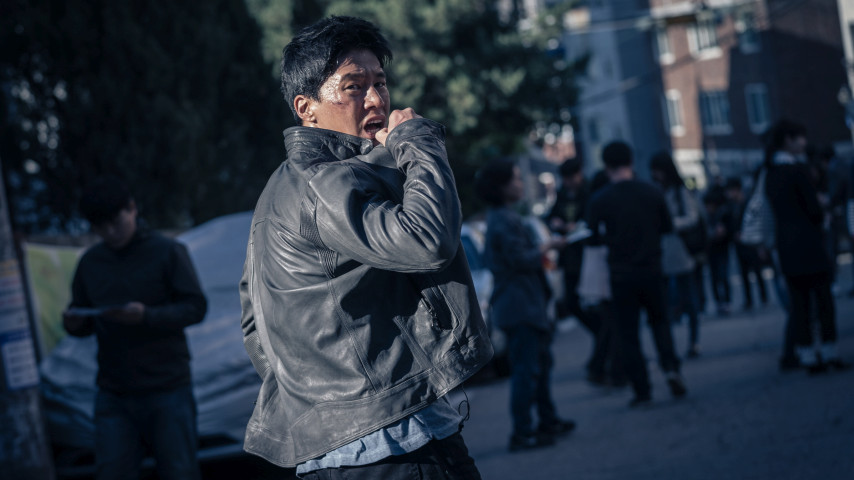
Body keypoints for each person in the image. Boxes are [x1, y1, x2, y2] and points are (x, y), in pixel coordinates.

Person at [238, 16, 493, 478]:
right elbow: (428, 240)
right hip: (393, 443)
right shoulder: (325, 182)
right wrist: (417, 141)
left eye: (380, 82)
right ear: (306, 108)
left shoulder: (280, 190)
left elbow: (254, 326)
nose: (375, 99)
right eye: (353, 87)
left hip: (334, 451)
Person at [62, 176, 207, 480]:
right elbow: (81, 318)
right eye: (100, 227)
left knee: (179, 472)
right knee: (112, 472)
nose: (110, 232)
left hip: (168, 388)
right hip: (114, 392)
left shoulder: (168, 251)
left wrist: (147, 316)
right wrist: (74, 323)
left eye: (115, 222)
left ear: (132, 208)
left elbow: (196, 308)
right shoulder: (90, 262)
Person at [475, 158, 575, 452]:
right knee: (526, 371)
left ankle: (547, 421)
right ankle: (522, 432)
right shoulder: (502, 220)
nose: (520, 184)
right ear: (501, 186)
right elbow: (520, 259)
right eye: (516, 179)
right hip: (519, 305)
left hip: (524, 303)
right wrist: (548, 246)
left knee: (539, 366)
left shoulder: (503, 217)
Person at [586, 141, 687, 407]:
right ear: (631, 161)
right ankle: (671, 368)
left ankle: (642, 389)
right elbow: (667, 228)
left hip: (621, 274)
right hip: (653, 268)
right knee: (660, 322)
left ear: (606, 166)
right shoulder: (652, 192)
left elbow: (592, 239)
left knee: (628, 333)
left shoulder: (600, 200)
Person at [763, 120, 850, 374]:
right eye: (799, 137)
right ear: (788, 140)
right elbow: (813, 209)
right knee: (823, 300)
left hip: (786, 246)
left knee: (799, 304)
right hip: (810, 243)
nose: (803, 142)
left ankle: (808, 354)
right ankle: (829, 351)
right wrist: (822, 211)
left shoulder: (770, 173)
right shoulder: (798, 171)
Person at [546, 158, 604, 382]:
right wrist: (557, 223)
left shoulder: (589, 192)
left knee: (595, 304)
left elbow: (592, 222)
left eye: (571, 177)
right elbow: (551, 215)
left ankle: (603, 345)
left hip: (587, 256)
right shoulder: (562, 194)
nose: (569, 182)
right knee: (572, 303)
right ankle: (601, 335)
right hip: (569, 258)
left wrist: (574, 226)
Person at [650, 151, 704, 358]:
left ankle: (693, 341)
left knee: (688, 298)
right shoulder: (656, 190)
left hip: (680, 248)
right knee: (667, 301)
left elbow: (692, 217)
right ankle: (670, 346)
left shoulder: (680, 191)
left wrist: (669, 224)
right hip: (662, 250)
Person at [725, 177, 769, 311]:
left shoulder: (748, 203)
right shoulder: (732, 206)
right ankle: (749, 299)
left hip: (751, 241)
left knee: (757, 270)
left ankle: (763, 296)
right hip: (739, 244)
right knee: (744, 272)